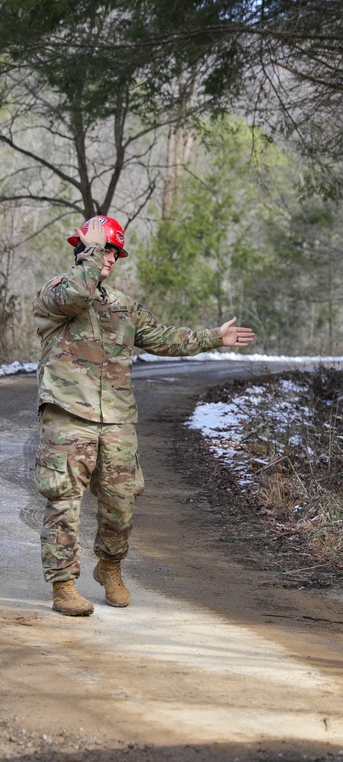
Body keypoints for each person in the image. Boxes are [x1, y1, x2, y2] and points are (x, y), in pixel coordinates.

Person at [33, 215, 256, 616]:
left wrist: (213, 338)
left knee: (121, 505)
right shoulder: (55, 295)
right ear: (84, 249)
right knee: (63, 502)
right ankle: (64, 584)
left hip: (117, 421)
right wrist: (91, 252)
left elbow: (164, 337)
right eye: (105, 249)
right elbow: (76, 295)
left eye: (116, 252)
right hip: (68, 416)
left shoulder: (122, 306)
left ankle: (110, 567)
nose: (111, 258)